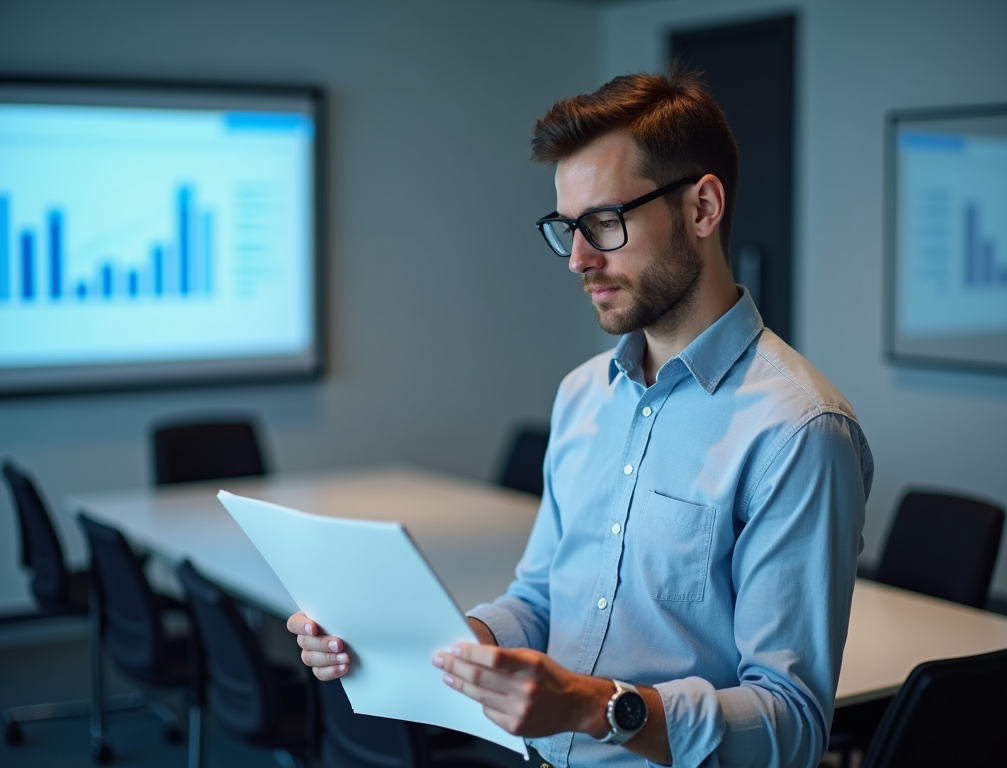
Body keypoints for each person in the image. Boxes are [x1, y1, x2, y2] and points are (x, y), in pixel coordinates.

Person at [288, 69, 873, 768]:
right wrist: (431, 640)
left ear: (702, 208)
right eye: (567, 228)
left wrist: (599, 709)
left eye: (604, 222)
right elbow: (540, 601)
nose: (578, 259)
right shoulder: (583, 394)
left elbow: (792, 725)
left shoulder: (799, 430)